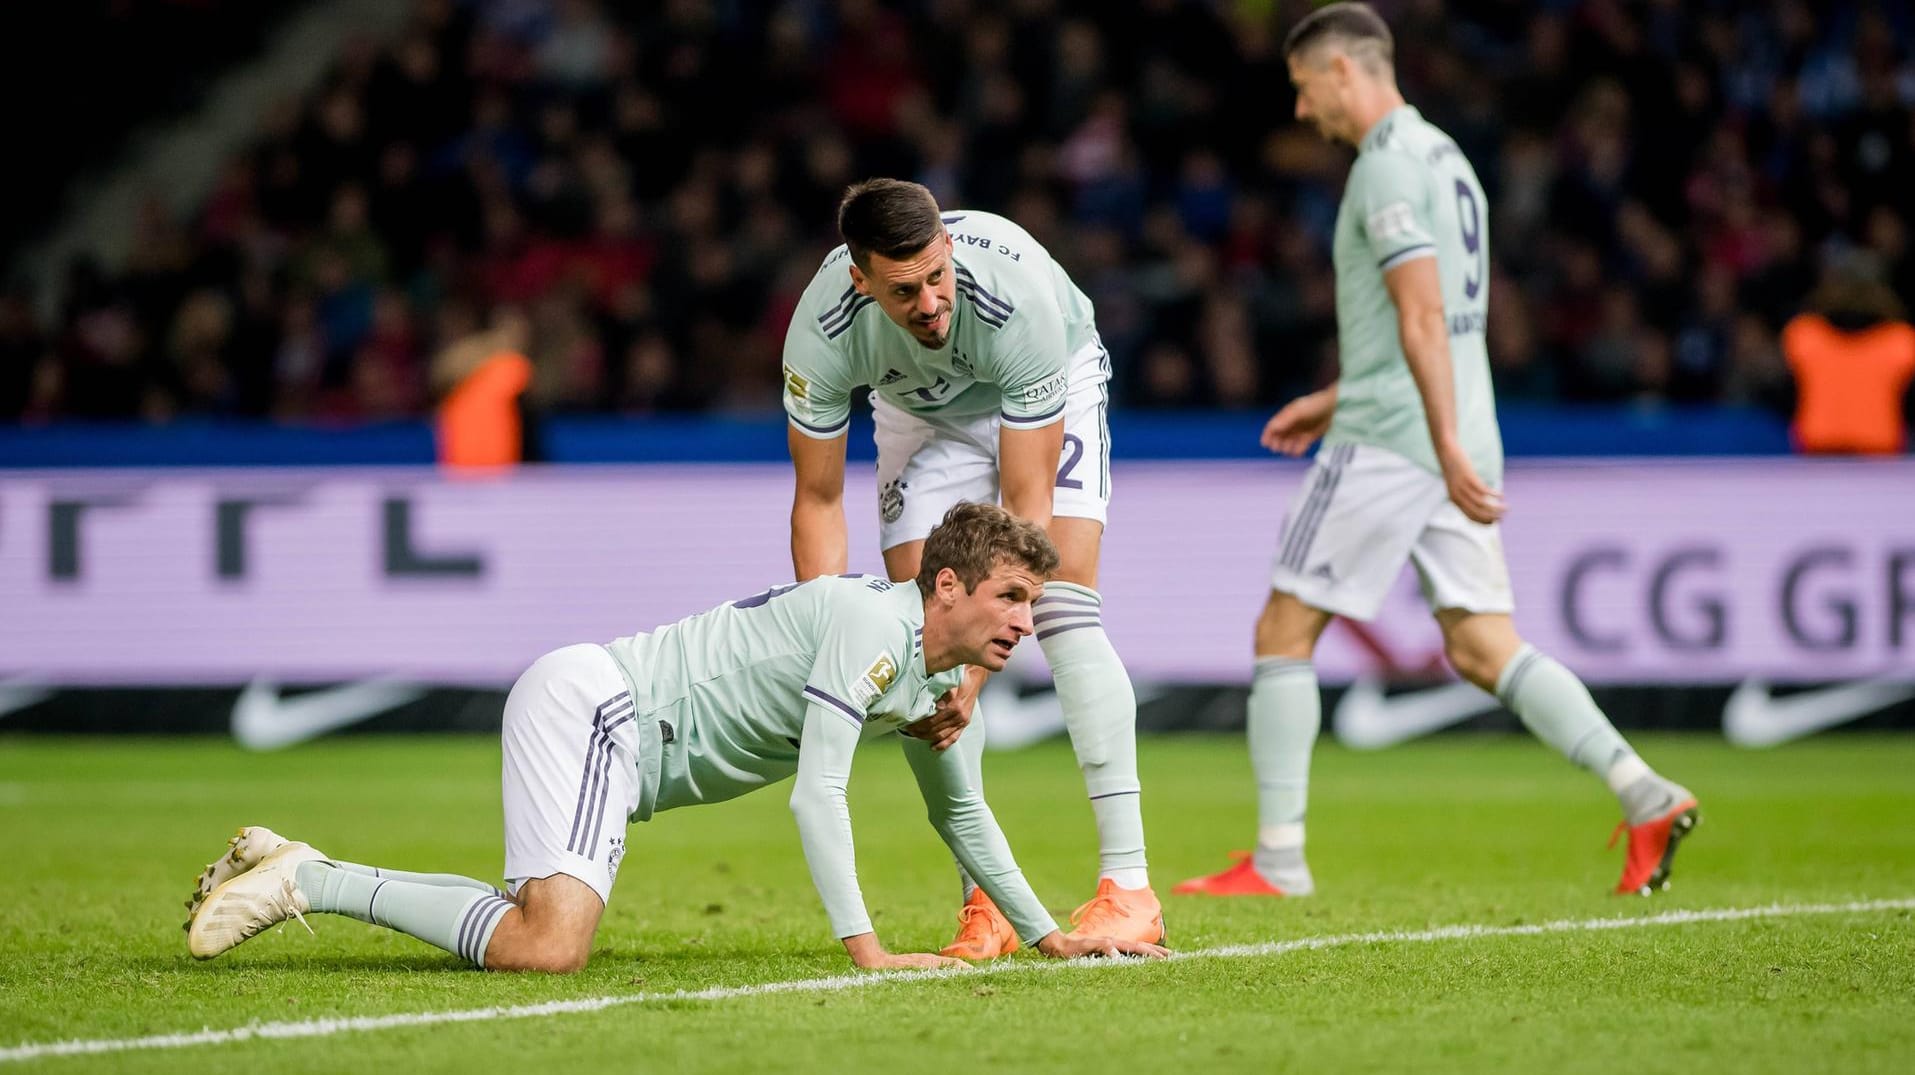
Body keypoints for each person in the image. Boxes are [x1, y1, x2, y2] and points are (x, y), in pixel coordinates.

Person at [1175, 3, 1699, 900]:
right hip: (1447, 423)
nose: (1303, 113)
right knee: (1482, 644)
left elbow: (1419, 313)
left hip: (1396, 439)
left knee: (1282, 629)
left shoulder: (1382, 169)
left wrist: (1429, 436)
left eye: (1304, 91)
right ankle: (1642, 790)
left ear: (1344, 71)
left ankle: (1277, 859)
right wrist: (1350, 399)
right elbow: (1444, 321)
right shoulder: (1447, 159)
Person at [186, 503, 1170, 972]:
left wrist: (1051, 937)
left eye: (1033, 603)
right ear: (947, 585)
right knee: (549, 946)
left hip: (619, 742)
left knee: (537, 930)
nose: (1023, 620)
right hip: (601, 710)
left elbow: (960, 810)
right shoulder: (875, 624)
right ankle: (306, 879)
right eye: (1012, 596)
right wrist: (869, 952)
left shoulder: (938, 673)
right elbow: (815, 793)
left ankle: (297, 867)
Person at [781, 179, 1161, 956]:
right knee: (928, 630)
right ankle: (981, 903)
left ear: (948, 249)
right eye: (901, 289)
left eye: (935, 277)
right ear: (859, 279)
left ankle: (1129, 888)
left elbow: (1024, 512)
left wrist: (975, 675)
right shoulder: (820, 332)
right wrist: (826, 642)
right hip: (918, 413)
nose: (927, 302)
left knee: (1059, 603)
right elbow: (818, 498)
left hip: (1049, 378)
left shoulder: (1016, 302)